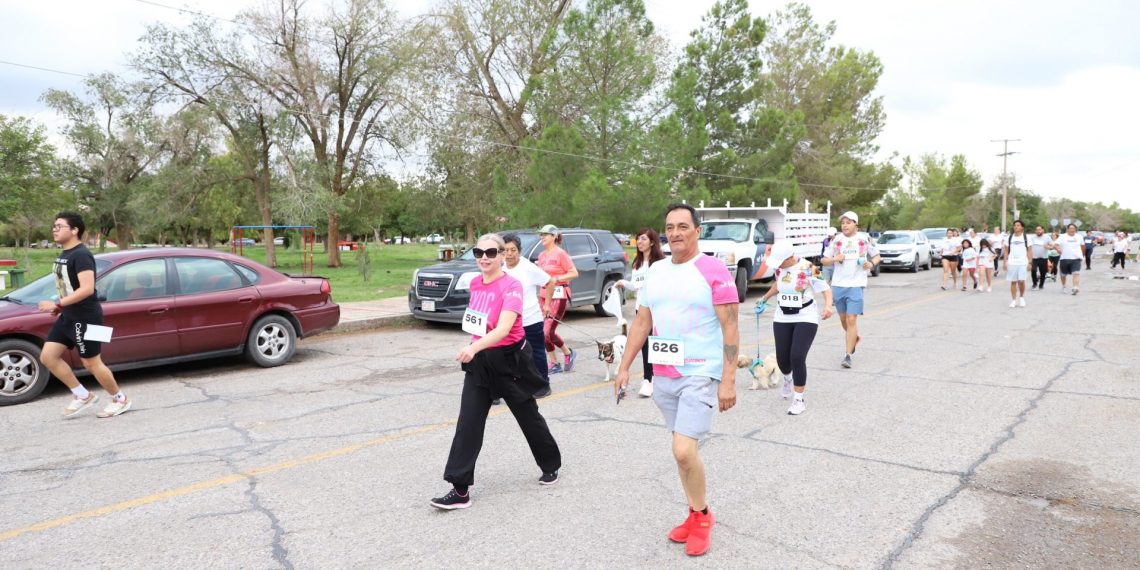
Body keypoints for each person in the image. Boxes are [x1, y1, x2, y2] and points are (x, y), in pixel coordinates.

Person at [614, 203, 739, 557]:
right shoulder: (656, 271)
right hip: (665, 374)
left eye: (683, 226)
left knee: (683, 450)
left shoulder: (713, 270)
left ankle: (703, 517)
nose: (675, 233)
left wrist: (728, 380)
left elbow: (731, 326)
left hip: (700, 372)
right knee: (684, 453)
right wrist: (624, 367)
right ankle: (694, 512)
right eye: (670, 227)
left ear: (697, 231)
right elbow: (642, 321)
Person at [431, 234, 561, 510]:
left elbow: (503, 329)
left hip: (510, 361)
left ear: (502, 255)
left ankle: (550, 464)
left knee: (528, 416)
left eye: (491, 252)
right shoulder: (475, 283)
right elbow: (477, 322)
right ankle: (460, 490)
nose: (484, 258)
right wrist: (474, 345)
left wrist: (473, 347)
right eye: (479, 252)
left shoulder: (512, 286)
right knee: (468, 422)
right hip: (481, 362)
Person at [37, 212, 132, 418]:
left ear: (74, 230)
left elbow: (87, 289)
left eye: (59, 226)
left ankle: (120, 399)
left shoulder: (81, 255)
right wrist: (61, 308)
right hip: (68, 315)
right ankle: (82, 395)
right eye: (54, 226)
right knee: (48, 357)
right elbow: (70, 287)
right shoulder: (65, 254)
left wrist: (57, 303)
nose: (54, 229)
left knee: (92, 362)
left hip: (88, 317)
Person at [756, 241, 834, 415]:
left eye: (781, 262)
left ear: (790, 257)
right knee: (783, 360)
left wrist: (828, 306)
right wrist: (764, 298)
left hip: (806, 315)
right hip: (782, 316)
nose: (778, 265)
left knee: (797, 356)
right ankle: (787, 378)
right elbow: (778, 285)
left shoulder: (809, 268)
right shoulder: (779, 269)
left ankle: (798, 399)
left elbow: (825, 288)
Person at [821, 211, 880, 369]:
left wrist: (871, 264)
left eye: (848, 222)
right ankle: (853, 337)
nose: (845, 225)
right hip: (838, 285)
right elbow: (824, 260)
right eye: (843, 223)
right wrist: (835, 258)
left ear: (856, 224)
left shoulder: (864, 239)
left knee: (851, 319)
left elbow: (877, 256)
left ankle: (848, 356)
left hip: (856, 284)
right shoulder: (836, 240)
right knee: (843, 319)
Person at [615, 228, 666, 398]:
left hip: (656, 309)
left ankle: (657, 377)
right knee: (644, 344)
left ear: (652, 242)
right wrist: (623, 283)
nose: (640, 242)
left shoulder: (660, 264)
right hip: (641, 308)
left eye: (644, 239)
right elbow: (636, 285)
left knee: (656, 343)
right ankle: (648, 379)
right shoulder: (637, 262)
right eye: (638, 239)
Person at [502, 233, 556, 389]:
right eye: (506, 250)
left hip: (530, 320)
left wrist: (547, 305)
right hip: (508, 322)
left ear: (519, 251)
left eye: (513, 250)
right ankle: (516, 385)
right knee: (511, 355)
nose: (509, 254)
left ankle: (543, 385)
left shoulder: (528, 267)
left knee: (536, 353)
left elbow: (550, 282)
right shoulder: (501, 267)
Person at [535, 224, 579, 374]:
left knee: (547, 331)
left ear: (554, 236)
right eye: (541, 234)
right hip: (544, 295)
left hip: (559, 295)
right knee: (544, 332)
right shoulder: (541, 255)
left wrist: (557, 278)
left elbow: (574, 273)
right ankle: (564, 355)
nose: (542, 237)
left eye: (545, 234)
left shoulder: (561, 254)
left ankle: (557, 360)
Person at [1002, 220, 1031, 308]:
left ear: (1022, 227)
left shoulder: (1026, 237)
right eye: (1015, 225)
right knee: (1013, 281)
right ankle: (1013, 300)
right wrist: (1005, 262)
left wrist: (1030, 262)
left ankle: (1021, 297)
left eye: (1018, 225)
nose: (1016, 227)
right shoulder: (1009, 237)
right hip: (1012, 262)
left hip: (1023, 262)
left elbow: (1030, 251)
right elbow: (1006, 251)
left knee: (1021, 281)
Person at [1055, 224, 1085, 294]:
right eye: (1071, 228)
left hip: (1076, 258)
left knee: (1076, 273)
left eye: (1074, 228)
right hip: (1064, 258)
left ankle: (1075, 287)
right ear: (1067, 229)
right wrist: (1058, 249)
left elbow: (1083, 246)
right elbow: (1056, 244)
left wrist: (1082, 255)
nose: (1072, 230)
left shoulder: (1079, 236)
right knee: (1063, 274)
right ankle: (1064, 286)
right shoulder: (1062, 236)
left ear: (1075, 229)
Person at [1028, 226, 1053, 290]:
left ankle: (1041, 284)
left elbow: (1052, 246)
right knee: (1033, 271)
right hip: (1034, 258)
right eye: (1037, 230)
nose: (1038, 231)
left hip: (1043, 258)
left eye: (1039, 230)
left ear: (1043, 230)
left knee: (1043, 272)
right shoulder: (1032, 238)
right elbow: (1029, 247)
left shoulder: (1047, 237)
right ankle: (1034, 283)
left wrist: (1048, 247)